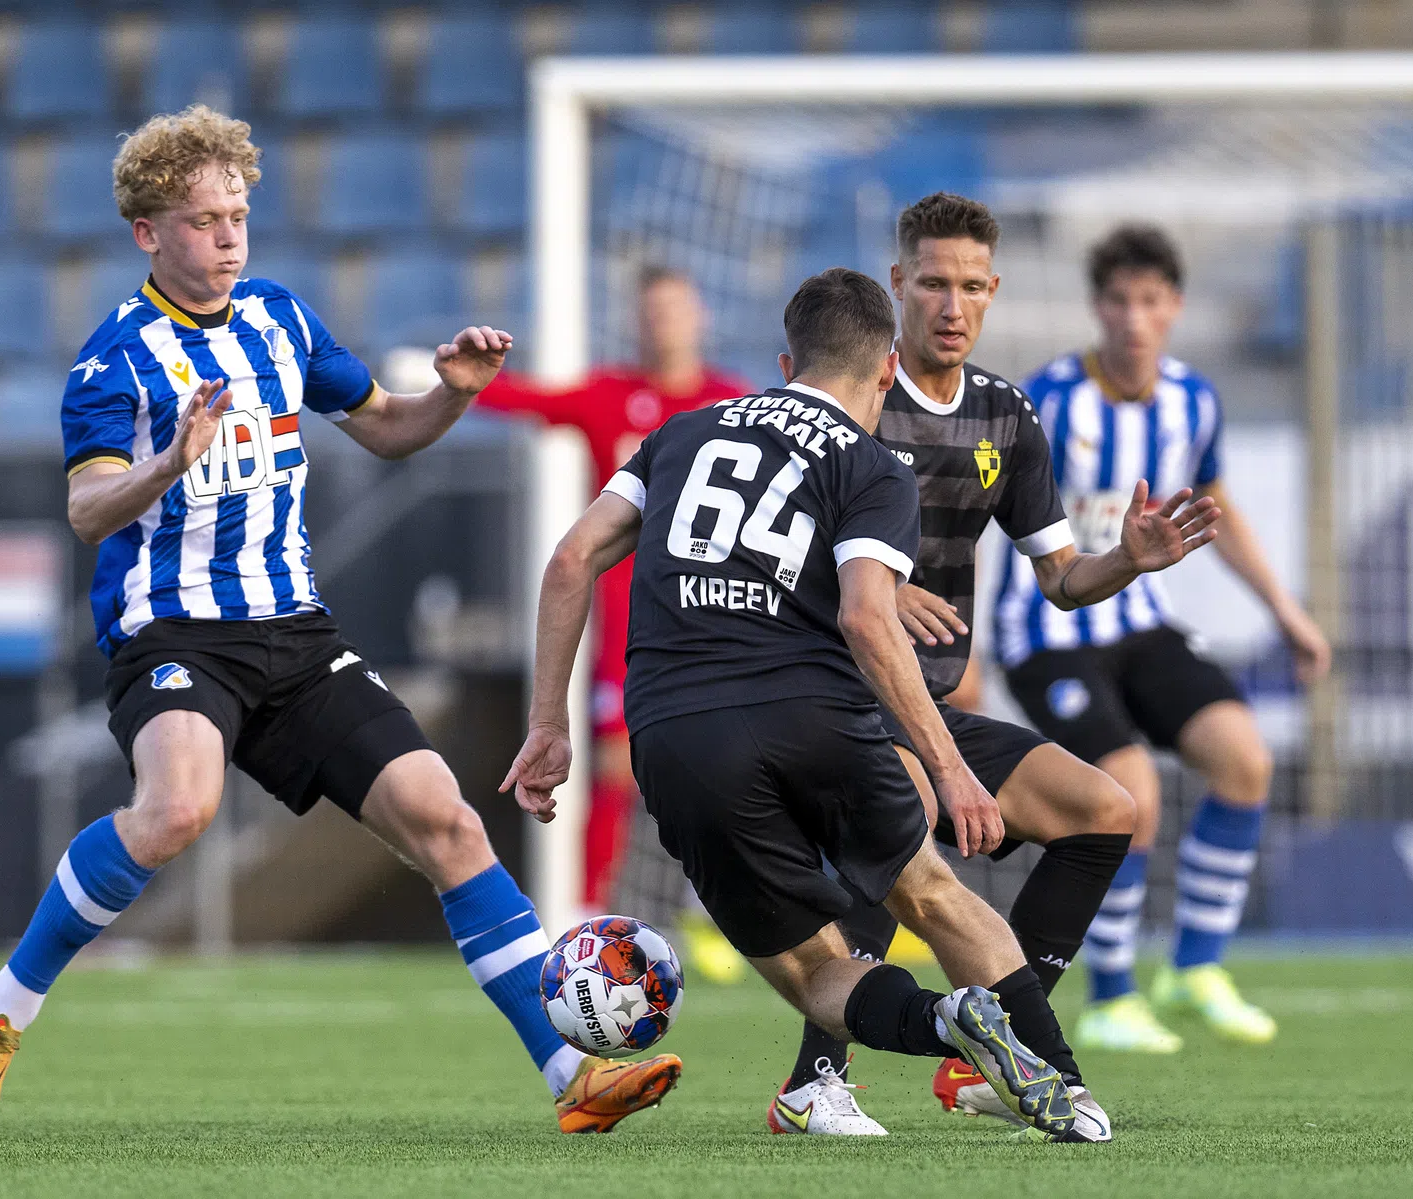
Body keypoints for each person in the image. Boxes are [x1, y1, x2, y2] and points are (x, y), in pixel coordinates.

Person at [0, 105, 680, 1138]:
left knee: (449, 819)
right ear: (149, 231)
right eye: (203, 220)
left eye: (238, 214)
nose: (230, 236)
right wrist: (165, 464)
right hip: (175, 631)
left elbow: (386, 429)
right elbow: (87, 505)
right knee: (178, 808)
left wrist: (453, 396)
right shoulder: (115, 360)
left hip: (296, 633)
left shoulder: (281, 318)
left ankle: (571, 1073)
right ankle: (2, 1009)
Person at [505, 267, 1202, 1142]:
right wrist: (951, 773)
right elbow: (868, 617)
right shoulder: (872, 466)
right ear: (884, 371)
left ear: (787, 358)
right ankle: (1062, 1087)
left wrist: (546, 725)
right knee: (936, 894)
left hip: (678, 732)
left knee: (812, 972)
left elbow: (572, 561)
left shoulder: (683, 431)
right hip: (814, 711)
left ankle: (942, 1024)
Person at [767, 194, 1221, 1136]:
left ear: (993, 292)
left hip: (926, 709)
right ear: (898, 285)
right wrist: (881, 597)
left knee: (1107, 811)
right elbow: (781, 550)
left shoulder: (1005, 416)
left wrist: (1126, 560)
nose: (951, 304)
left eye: (972, 286)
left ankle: (990, 1053)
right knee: (908, 814)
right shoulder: (850, 403)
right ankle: (814, 1083)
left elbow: (1060, 576)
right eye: (932, 281)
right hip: (831, 704)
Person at [997, 224, 1331, 1052]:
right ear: (1097, 307)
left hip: (1139, 622)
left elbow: (1215, 507)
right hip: (1047, 627)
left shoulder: (1193, 400)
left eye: (1150, 300)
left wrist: (1285, 611)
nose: (1133, 318)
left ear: (1175, 307)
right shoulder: (1047, 398)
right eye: (1118, 300)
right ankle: (1111, 996)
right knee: (1131, 789)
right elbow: (982, 521)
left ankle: (1194, 970)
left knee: (1244, 758)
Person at [479, 269, 749, 917]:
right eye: (651, 312)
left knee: (729, 767)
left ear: (700, 318)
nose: (663, 323)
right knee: (614, 767)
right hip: (630, 620)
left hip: (718, 614)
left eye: (675, 310)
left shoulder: (732, 403)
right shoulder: (612, 396)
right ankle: (585, 912)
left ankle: (726, 910)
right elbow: (536, 403)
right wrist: (458, 383)